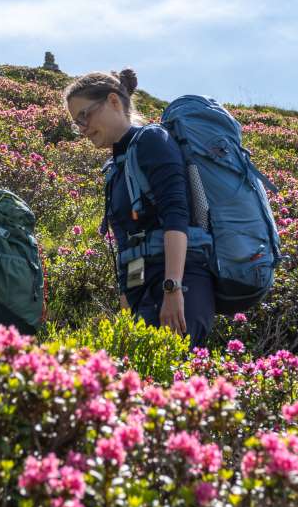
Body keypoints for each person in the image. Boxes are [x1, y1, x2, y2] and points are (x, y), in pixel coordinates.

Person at [63, 70, 216, 347]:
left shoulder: (153, 140)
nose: (82, 128)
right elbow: (127, 239)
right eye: (76, 123)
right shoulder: (116, 166)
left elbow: (175, 215)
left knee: (171, 379)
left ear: (113, 101)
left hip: (179, 282)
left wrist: (173, 288)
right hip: (143, 289)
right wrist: (126, 299)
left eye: (85, 116)